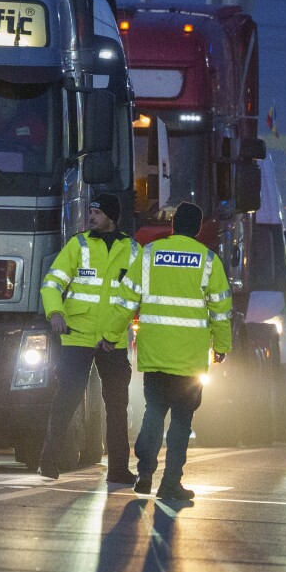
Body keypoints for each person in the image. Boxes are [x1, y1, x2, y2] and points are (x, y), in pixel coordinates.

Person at [103, 201, 231, 501]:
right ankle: (171, 483)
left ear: (173, 226)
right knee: (182, 422)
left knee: (154, 413)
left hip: (155, 354)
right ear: (198, 228)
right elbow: (221, 311)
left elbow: (125, 300)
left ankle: (145, 473)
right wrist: (222, 347)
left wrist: (110, 335)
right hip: (190, 360)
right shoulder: (209, 261)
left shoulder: (149, 255)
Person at [37, 193, 139, 482]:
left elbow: (136, 295)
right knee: (67, 398)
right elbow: (52, 284)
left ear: (111, 216)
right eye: (90, 211)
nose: (91, 216)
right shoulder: (78, 244)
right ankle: (49, 459)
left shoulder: (132, 251)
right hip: (77, 334)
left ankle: (118, 469)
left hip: (113, 339)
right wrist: (55, 313)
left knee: (117, 404)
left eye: (97, 212)